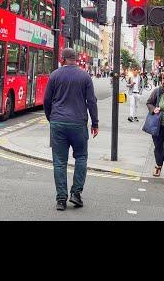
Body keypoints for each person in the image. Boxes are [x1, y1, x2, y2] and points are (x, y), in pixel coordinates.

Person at [43, 48, 99, 211]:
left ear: (63, 60)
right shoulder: (85, 76)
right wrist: (95, 123)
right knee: (81, 158)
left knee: (59, 162)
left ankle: (61, 199)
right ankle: (76, 194)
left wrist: (51, 118)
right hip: (78, 123)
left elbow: (47, 100)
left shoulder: (55, 75)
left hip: (58, 122)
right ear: (75, 59)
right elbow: (92, 102)